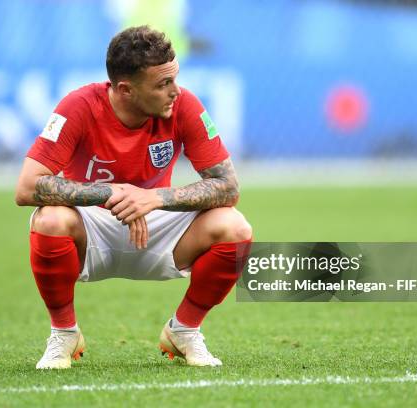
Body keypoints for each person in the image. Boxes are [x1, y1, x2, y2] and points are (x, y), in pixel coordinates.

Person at [15, 25, 252, 369]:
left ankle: (184, 330)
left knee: (235, 227)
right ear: (125, 89)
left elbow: (228, 187)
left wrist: (153, 197)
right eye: (162, 84)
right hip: (92, 225)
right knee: (50, 219)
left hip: (157, 227)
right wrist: (112, 191)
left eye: (175, 79)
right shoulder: (80, 106)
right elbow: (26, 188)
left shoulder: (184, 104)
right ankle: (64, 334)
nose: (175, 91)